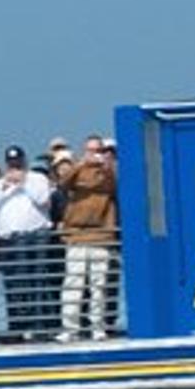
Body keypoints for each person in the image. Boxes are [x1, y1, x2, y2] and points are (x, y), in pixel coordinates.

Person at [0, 144, 56, 341]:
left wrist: (23, 182)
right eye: (11, 164)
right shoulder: (0, 184)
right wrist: (4, 187)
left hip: (36, 235)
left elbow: (42, 199)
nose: (14, 167)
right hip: (11, 240)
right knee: (15, 284)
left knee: (38, 280)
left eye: (18, 163)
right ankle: (18, 326)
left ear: (24, 161)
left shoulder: (37, 178)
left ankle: (40, 325)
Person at [59, 135, 119, 340]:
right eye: (90, 150)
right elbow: (63, 184)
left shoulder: (109, 171)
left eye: (97, 150)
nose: (94, 155)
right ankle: (70, 329)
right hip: (76, 234)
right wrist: (80, 165)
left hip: (101, 234)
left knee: (98, 286)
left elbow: (112, 187)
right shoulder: (77, 170)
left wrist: (106, 166)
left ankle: (97, 327)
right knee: (73, 284)